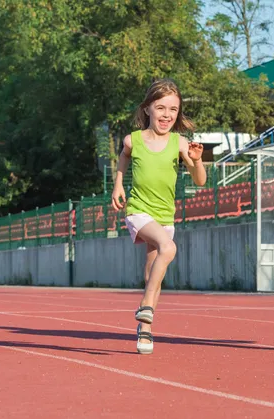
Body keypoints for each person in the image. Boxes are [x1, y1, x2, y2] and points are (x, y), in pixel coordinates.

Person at [111, 79, 206, 355]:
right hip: (138, 210)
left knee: (154, 272)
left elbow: (200, 181)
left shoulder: (179, 143)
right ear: (147, 109)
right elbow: (123, 156)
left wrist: (197, 160)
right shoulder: (134, 139)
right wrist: (118, 184)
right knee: (169, 248)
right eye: (161, 107)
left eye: (173, 110)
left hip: (165, 215)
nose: (167, 115)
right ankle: (147, 307)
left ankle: (145, 330)